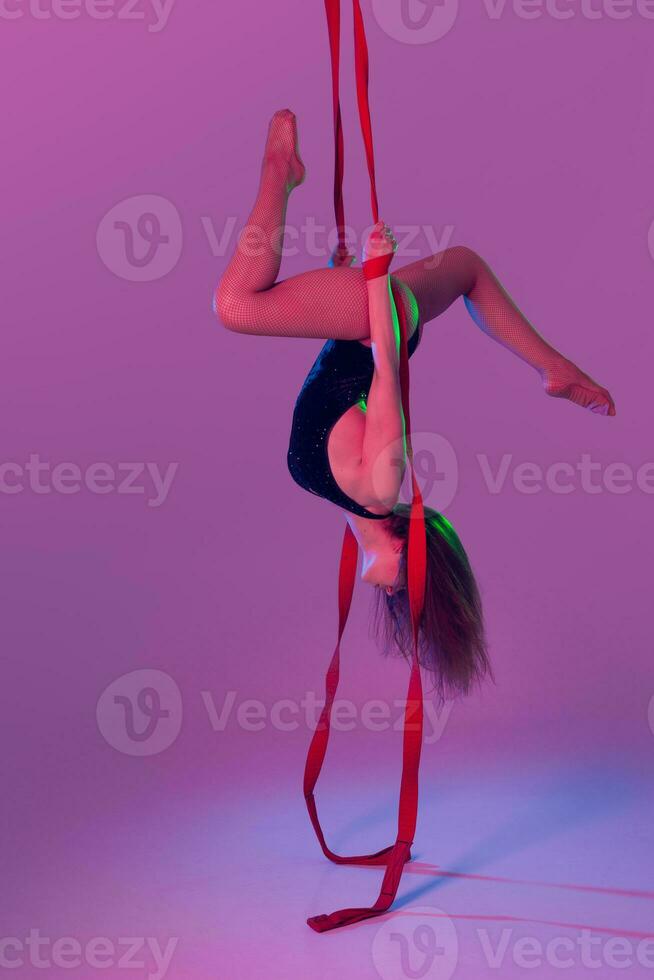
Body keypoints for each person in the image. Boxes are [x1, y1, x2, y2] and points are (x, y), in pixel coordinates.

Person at [215, 109, 615, 697]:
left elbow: (334, 384)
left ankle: (553, 369)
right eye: (398, 586)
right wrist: (374, 278)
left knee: (464, 267)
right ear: (402, 552)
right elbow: (382, 367)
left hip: (362, 320)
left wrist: (333, 290)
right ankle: (281, 173)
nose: (386, 589)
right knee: (237, 306)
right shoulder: (379, 484)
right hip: (377, 322)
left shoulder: (353, 507)